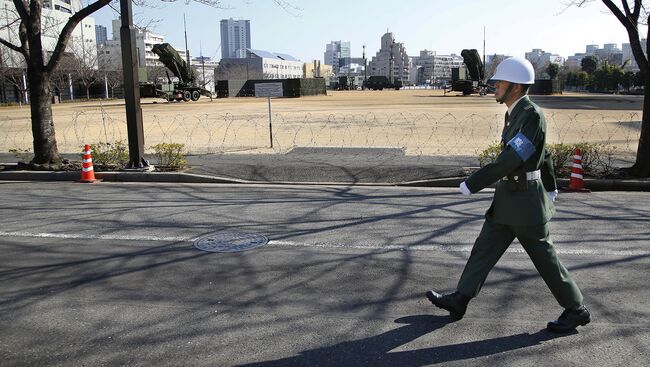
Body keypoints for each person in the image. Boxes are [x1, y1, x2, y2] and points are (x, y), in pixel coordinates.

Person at [425, 57, 590, 333]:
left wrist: (475, 182)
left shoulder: (531, 114)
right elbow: (544, 153)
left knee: (545, 257)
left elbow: (514, 157)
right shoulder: (514, 113)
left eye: (500, 82)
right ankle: (461, 298)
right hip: (508, 199)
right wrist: (552, 185)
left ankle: (576, 309)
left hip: (525, 202)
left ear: (515, 86)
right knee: (484, 247)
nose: (495, 86)